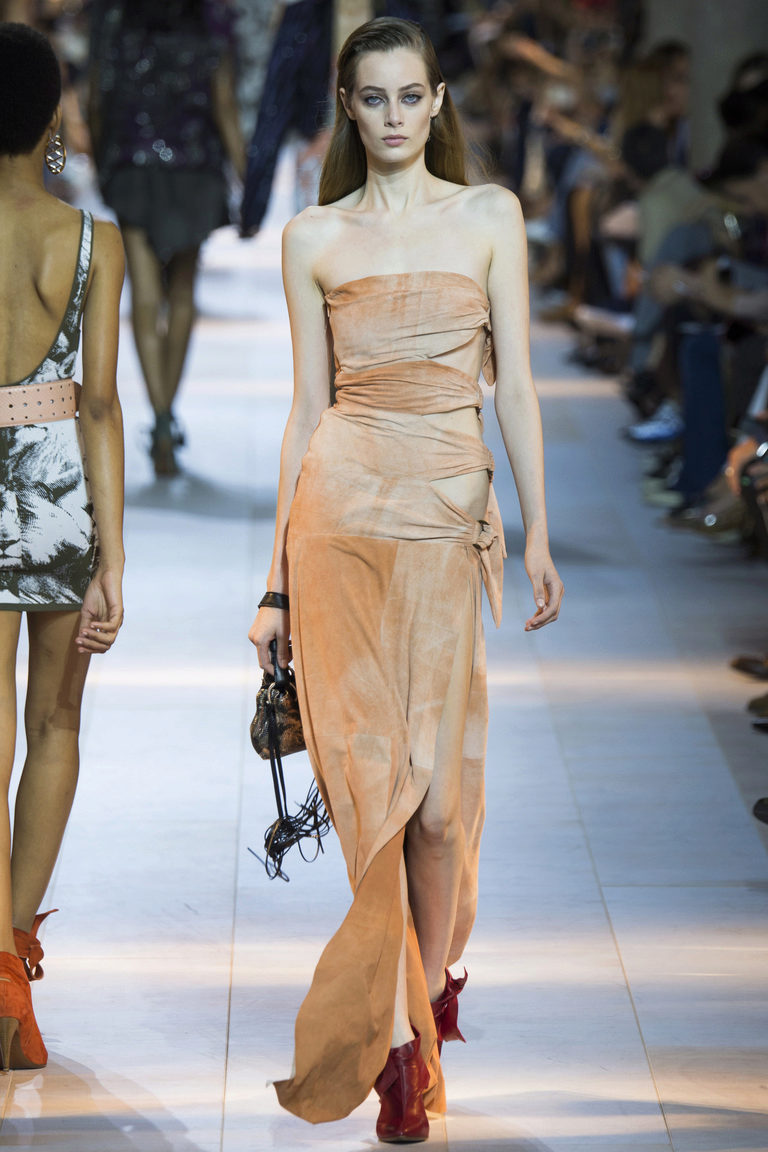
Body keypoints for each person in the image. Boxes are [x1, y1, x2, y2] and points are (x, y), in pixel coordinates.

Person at [248, 17, 563, 1144]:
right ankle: (402, 1051)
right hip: (339, 521)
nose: (393, 116)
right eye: (373, 98)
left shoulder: (489, 217)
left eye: (410, 97)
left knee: (434, 811)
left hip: (442, 523)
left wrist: (537, 530)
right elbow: (307, 409)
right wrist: (275, 585)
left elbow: (514, 385)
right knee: (374, 800)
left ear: (438, 103)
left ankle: (424, 1001)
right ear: (347, 105)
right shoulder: (313, 236)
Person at [0, 22, 124, 1069]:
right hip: (53, 491)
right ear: (50, 114)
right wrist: (113, 557)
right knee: (55, 722)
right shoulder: (90, 241)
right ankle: (9, 978)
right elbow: (101, 407)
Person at [89, 0, 245, 477]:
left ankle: (158, 417)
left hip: (134, 167)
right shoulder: (208, 36)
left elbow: (98, 100)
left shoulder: (119, 32)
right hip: (195, 170)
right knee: (181, 296)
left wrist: (101, 165)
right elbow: (224, 107)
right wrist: (247, 179)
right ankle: (165, 414)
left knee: (142, 296)